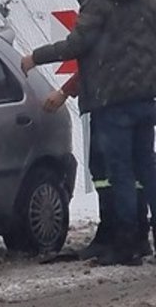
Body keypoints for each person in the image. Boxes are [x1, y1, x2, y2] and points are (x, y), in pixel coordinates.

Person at [24, 0, 156, 265]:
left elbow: (77, 44)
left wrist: (35, 57)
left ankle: (125, 243)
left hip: (112, 103)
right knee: (148, 169)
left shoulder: (99, 1)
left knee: (119, 172)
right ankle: (142, 238)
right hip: (144, 100)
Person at [45, 74, 152, 260]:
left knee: (111, 170)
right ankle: (133, 235)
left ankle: (119, 236)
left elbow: (93, 57)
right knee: (139, 169)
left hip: (110, 102)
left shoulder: (110, 50)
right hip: (137, 99)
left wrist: (65, 90)